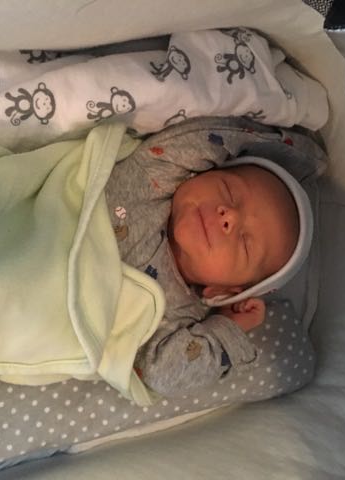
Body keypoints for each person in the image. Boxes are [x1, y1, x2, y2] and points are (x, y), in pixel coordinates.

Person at [104, 116, 324, 397]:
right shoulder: (155, 179)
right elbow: (200, 137)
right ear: (206, 171)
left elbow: (163, 375)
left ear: (225, 291)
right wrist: (294, 152)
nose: (229, 216)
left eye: (244, 244)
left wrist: (228, 327)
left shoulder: (177, 314)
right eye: (229, 191)